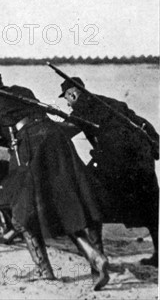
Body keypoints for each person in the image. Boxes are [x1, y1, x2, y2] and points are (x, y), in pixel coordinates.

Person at [0, 68, 110, 291]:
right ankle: (96, 257)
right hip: (57, 139)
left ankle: (44, 270)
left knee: (23, 212)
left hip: (31, 148)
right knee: (62, 203)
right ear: (0, 81)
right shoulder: (23, 91)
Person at [59, 77, 159, 267]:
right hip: (141, 157)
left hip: (118, 160)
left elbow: (66, 131)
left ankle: (98, 256)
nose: (68, 104)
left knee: (90, 197)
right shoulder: (107, 101)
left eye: (67, 99)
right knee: (150, 207)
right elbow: (140, 121)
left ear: (73, 93)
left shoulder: (81, 109)